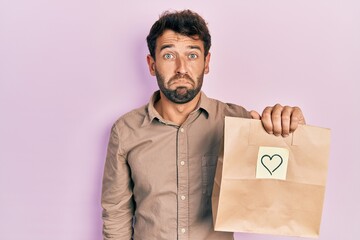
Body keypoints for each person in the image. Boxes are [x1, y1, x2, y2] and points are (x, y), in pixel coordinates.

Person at [101, 9, 305, 240]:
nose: (181, 68)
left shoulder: (238, 122)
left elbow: (284, 182)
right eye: (169, 55)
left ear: (206, 62)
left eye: (192, 55)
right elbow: (116, 214)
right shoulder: (125, 130)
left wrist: (293, 127)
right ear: (151, 64)